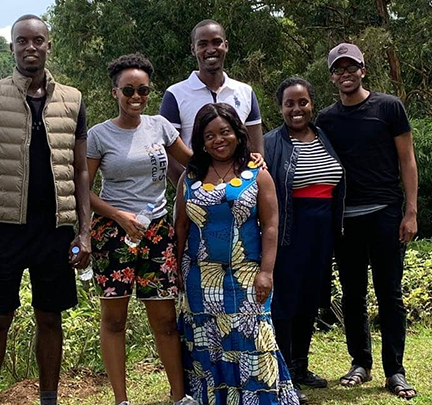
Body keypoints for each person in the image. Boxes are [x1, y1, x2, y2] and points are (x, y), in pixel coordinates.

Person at [0, 15, 91, 405]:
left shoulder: (72, 99)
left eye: (38, 40)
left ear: (48, 45)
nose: (30, 47)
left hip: (54, 228)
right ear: (12, 48)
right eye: (22, 41)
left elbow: (81, 168)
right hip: (3, 227)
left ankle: (49, 398)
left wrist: (84, 231)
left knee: (50, 317)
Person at [87, 53, 195, 405]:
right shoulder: (98, 135)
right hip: (113, 233)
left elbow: (194, 162)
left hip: (157, 232)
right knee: (114, 318)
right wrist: (119, 216)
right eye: (128, 90)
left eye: (144, 90)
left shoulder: (160, 126)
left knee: (165, 318)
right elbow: (82, 190)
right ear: (114, 92)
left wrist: (243, 159)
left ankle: (180, 397)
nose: (136, 97)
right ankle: (121, 400)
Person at [175, 103, 298, 405]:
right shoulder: (189, 177)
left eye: (225, 132)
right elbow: (180, 228)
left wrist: (266, 272)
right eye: (209, 135)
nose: (219, 140)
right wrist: (175, 272)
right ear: (201, 142)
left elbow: (270, 225)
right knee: (209, 344)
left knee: (254, 340)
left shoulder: (257, 173)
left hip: (247, 274)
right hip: (199, 278)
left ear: (238, 134)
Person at [316, 43, 418, 399]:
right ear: (332, 76)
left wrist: (411, 211)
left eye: (351, 67)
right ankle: (360, 363)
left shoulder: (389, 107)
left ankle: (396, 370)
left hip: (386, 213)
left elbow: (407, 160)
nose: (345, 74)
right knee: (353, 295)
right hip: (346, 219)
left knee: (390, 295)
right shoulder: (326, 119)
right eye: (339, 69)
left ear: (363, 70)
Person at [264, 77, 345, 403]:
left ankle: (301, 366)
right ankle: (284, 372)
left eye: (303, 102)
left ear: (312, 104)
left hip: (322, 231)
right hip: (289, 233)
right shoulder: (271, 143)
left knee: (310, 299)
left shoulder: (324, 136)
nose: (296, 109)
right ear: (280, 107)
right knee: (285, 303)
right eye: (289, 103)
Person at [160, 19, 264, 186]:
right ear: (193, 49)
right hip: (194, 195)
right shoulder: (175, 95)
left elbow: (256, 150)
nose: (210, 50)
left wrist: (245, 190)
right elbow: (168, 154)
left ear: (226, 45)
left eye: (217, 42)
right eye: (202, 44)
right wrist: (191, 189)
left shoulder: (245, 92)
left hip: (240, 194)